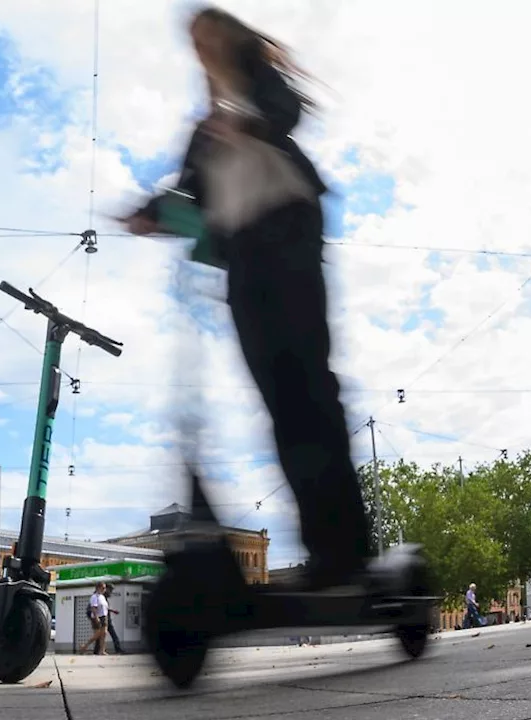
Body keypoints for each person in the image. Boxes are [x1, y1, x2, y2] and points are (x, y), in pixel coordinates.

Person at [120, 6, 371, 592]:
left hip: (290, 231)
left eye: (206, 35)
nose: (199, 47)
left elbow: (288, 114)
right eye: (193, 41)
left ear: (227, 37)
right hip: (246, 260)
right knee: (279, 400)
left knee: (310, 387)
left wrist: (247, 123)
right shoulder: (203, 127)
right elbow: (185, 194)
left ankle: (346, 548)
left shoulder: (260, 84)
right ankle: (327, 552)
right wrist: (147, 214)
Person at [80, 582, 109, 655]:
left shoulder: (102, 597)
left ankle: (102, 650)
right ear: (98, 588)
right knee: (97, 634)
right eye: (103, 588)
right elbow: (93, 608)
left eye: (105, 588)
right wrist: (96, 617)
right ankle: (85, 646)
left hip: (104, 616)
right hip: (97, 616)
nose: (104, 589)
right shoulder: (94, 597)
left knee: (104, 633)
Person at [103, 583, 124, 654]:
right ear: (106, 589)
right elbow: (103, 608)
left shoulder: (104, 597)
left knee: (111, 635)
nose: (111, 592)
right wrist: (113, 611)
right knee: (101, 635)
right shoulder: (102, 597)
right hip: (104, 619)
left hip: (107, 619)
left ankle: (118, 649)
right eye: (110, 590)